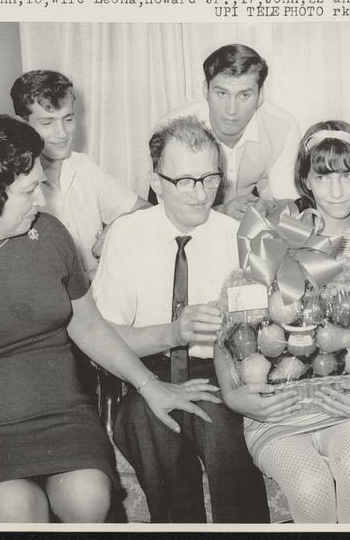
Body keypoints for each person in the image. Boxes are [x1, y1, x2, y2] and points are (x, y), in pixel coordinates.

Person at [0, 115, 220, 523]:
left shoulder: (50, 236)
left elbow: (90, 326)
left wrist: (149, 385)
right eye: (29, 192)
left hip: (62, 418)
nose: (41, 201)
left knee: (87, 497)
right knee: (16, 510)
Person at [215, 120, 350, 523]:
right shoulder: (274, 235)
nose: (336, 191)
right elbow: (232, 330)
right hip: (278, 412)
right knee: (310, 488)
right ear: (306, 178)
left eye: (348, 176)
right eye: (324, 176)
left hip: (346, 404)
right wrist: (233, 396)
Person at [92, 116, 272, 523]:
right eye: (186, 181)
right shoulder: (126, 234)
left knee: (226, 437)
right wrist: (172, 333)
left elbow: (263, 335)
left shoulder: (240, 237)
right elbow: (102, 338)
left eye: (210, 178)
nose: (202, 194)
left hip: (219, 372)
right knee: (150, 425)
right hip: (144, 373)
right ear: (156, 183)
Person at [11, 70, 150, 277]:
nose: (62, 133)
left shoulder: (82, 166)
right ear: (22, 125)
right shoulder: (11, 185)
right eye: (47, 123)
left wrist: (118, 228)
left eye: (68, 119)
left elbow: (147, 210)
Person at [153, 43, 301, 220]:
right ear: (205, 90)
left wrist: (268, 208)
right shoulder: (171, 129)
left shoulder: (283, 128)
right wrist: (221, 213)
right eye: (222, 94)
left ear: (260, 96)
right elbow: (165, 212)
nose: (231, 110)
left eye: (244, 95)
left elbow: (289, 203)